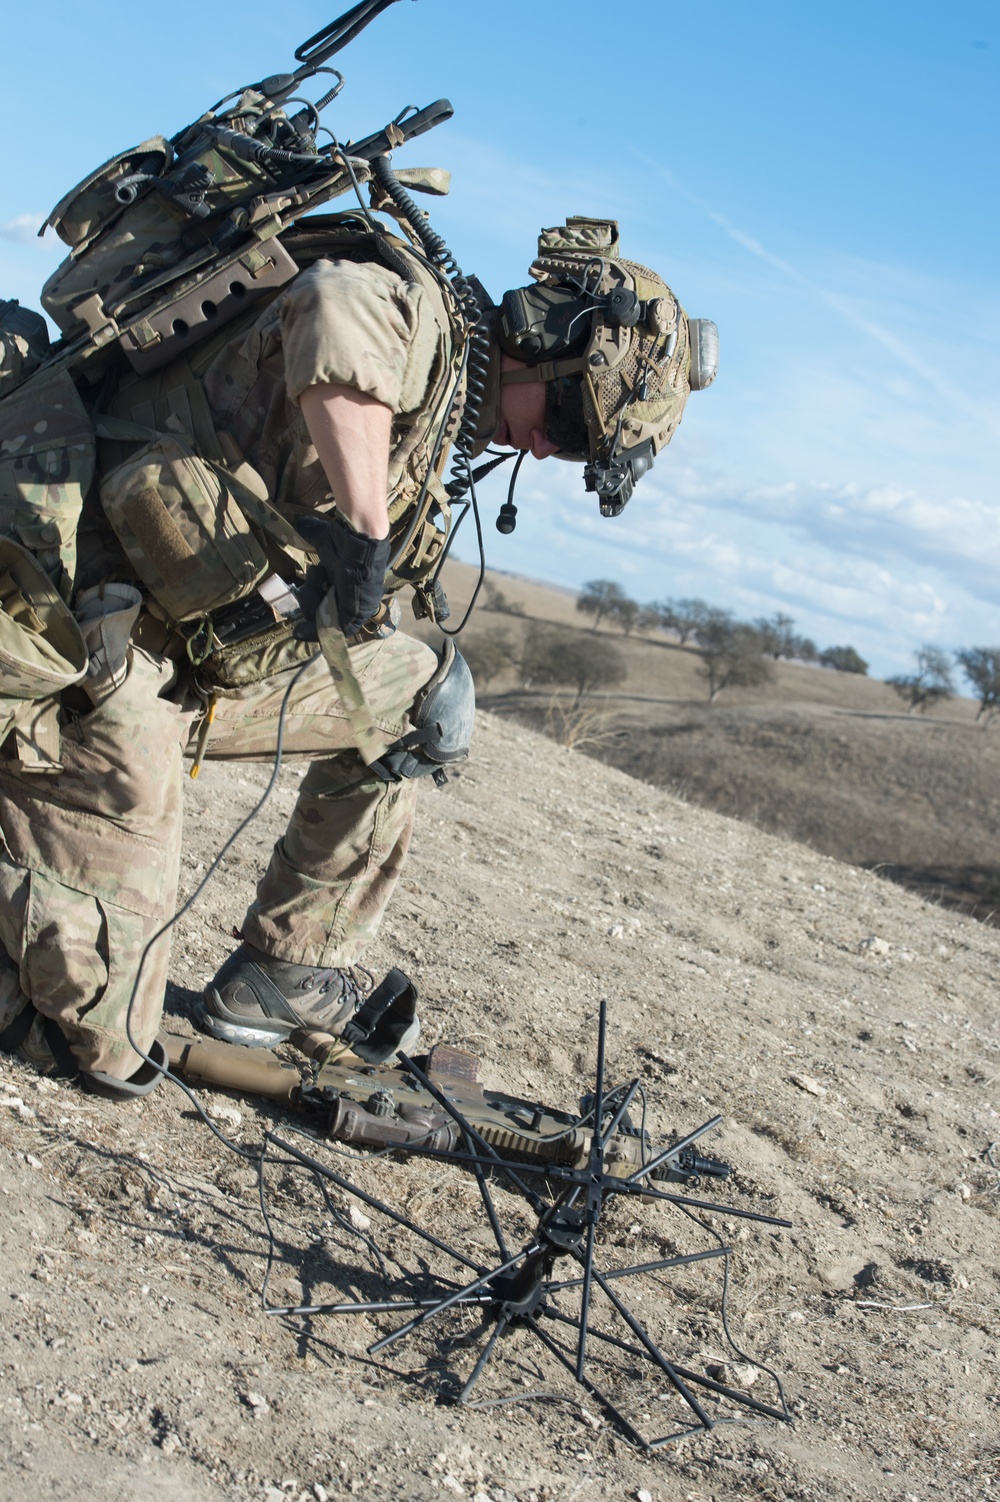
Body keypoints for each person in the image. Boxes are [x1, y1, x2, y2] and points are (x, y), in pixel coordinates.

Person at [0, 198, 712, 1097]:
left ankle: (284, 973)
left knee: (421, 698)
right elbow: (336, 307)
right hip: (76, 653)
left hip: (190, 662)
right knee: (92, 1049)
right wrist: (367, 525)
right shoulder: (416, 315)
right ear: (541, 339)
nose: (547, 446)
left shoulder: (441, 416)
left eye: (574, 451)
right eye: (568, 421)